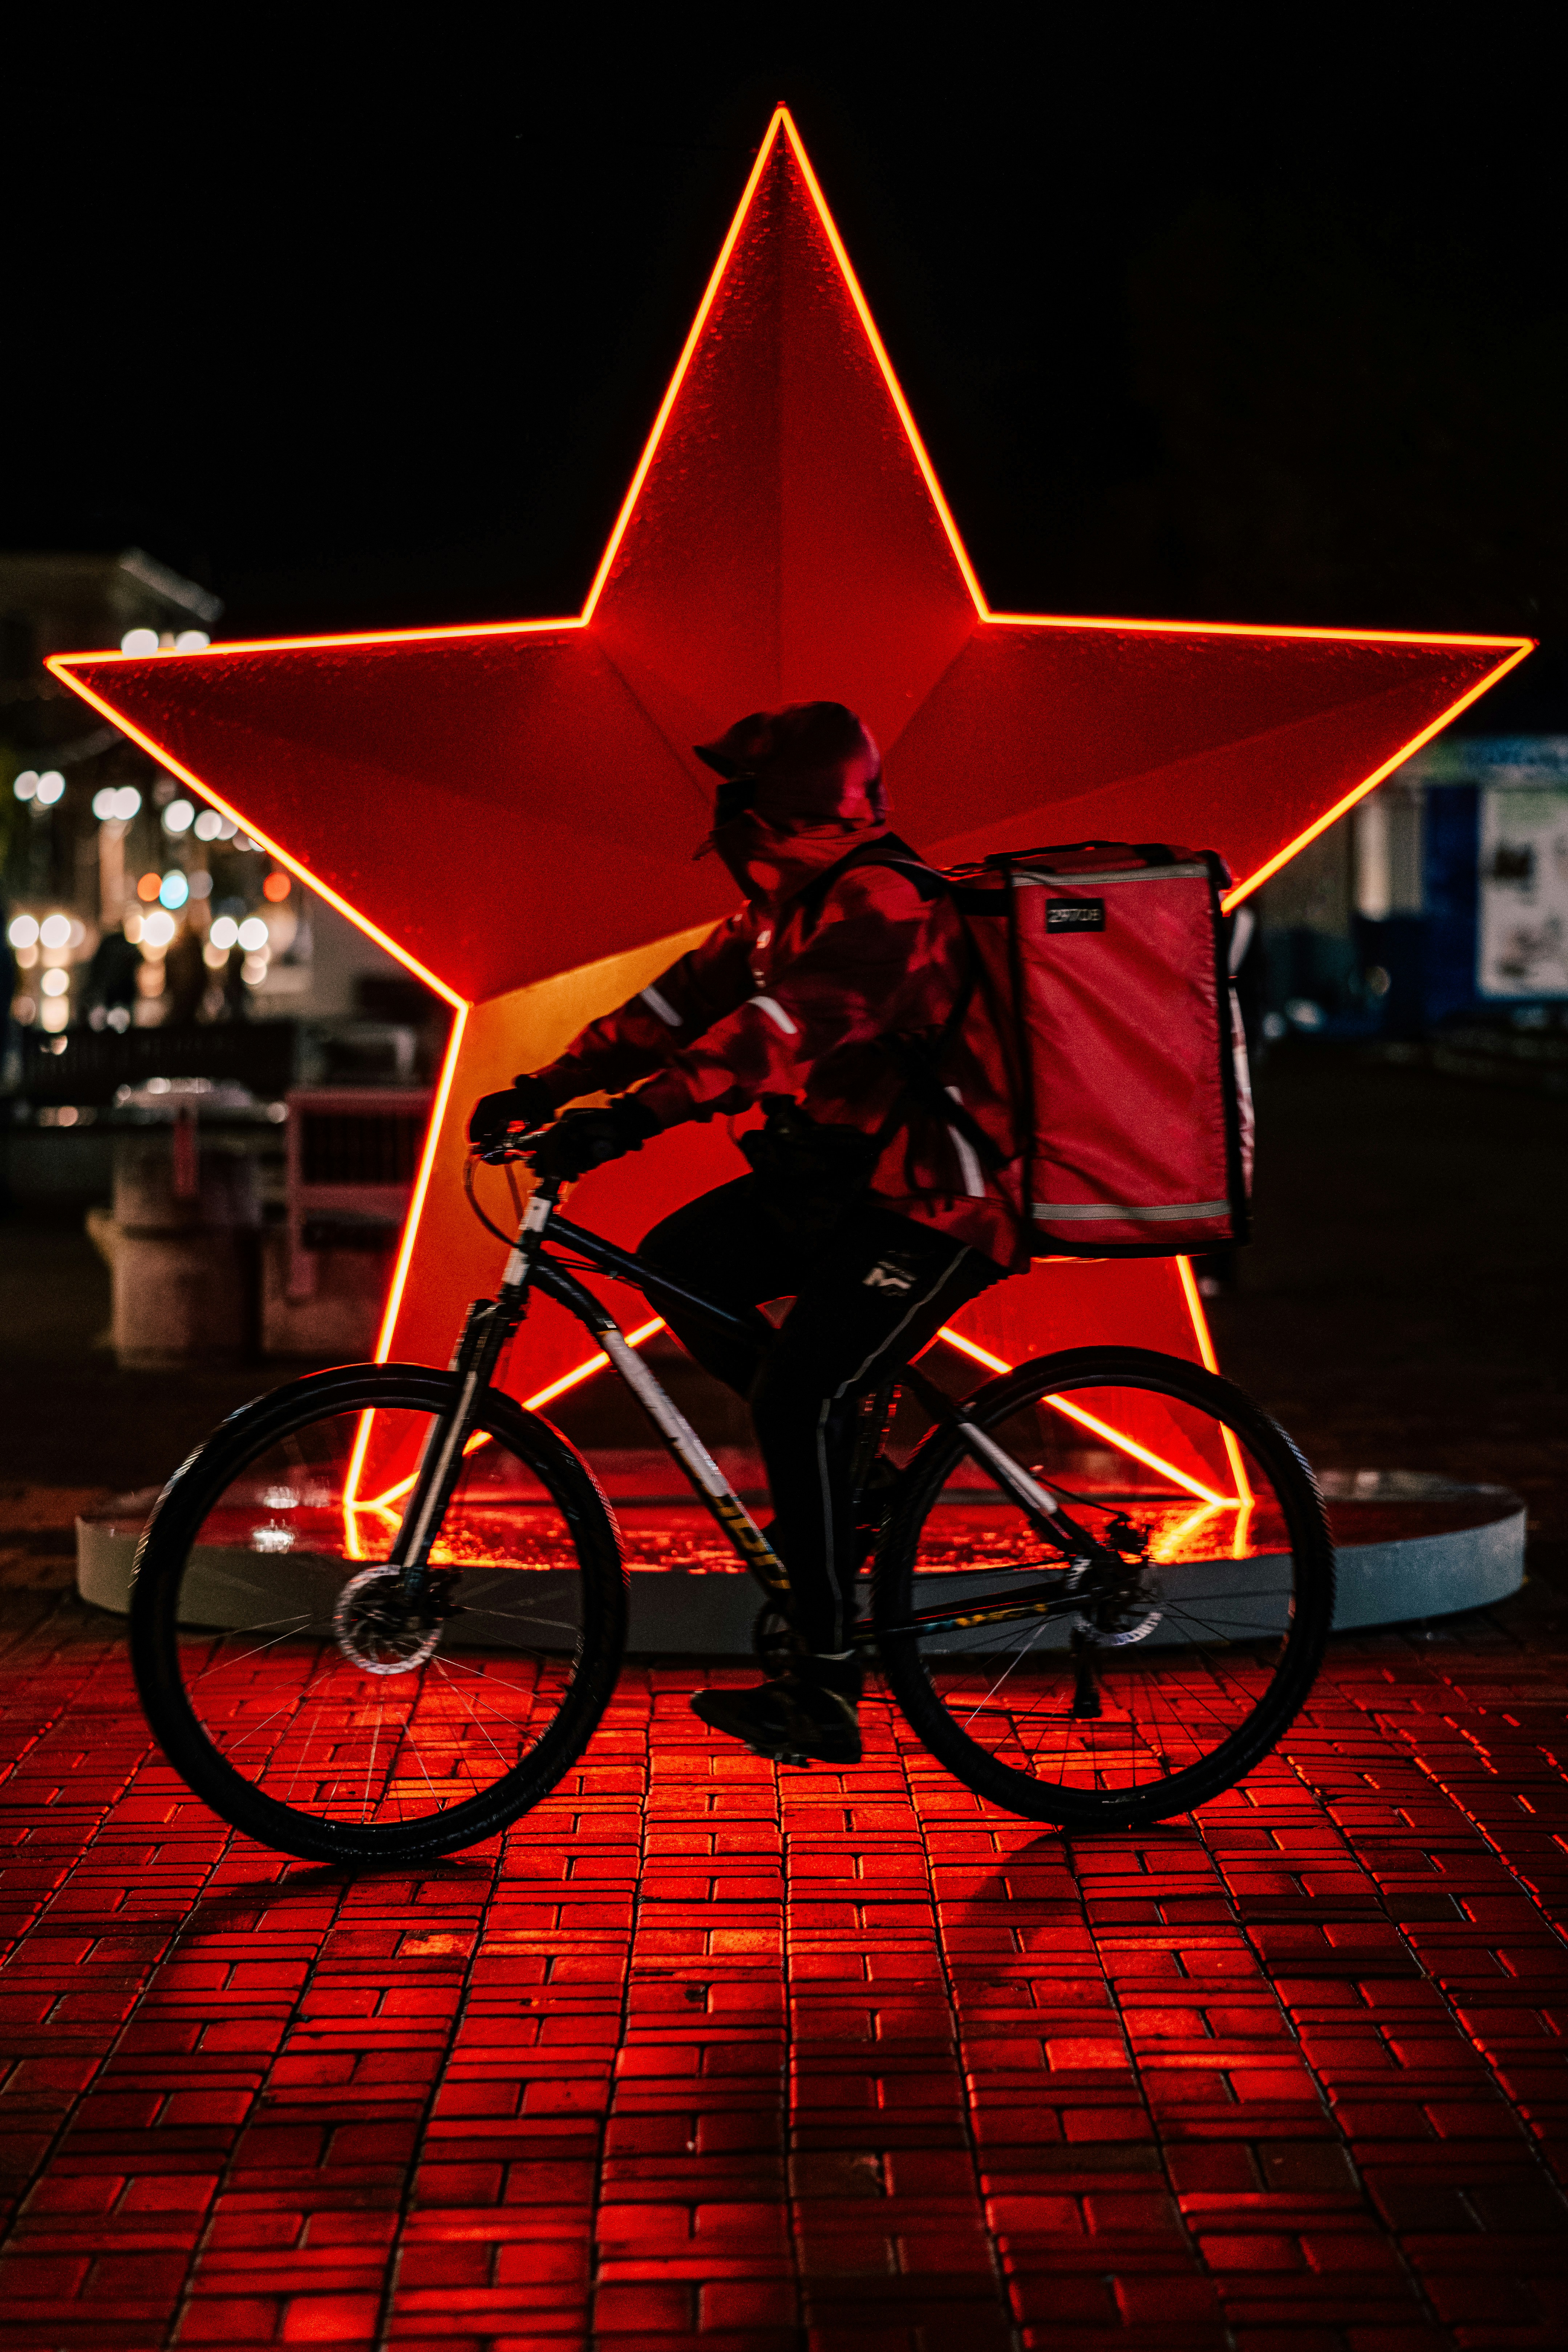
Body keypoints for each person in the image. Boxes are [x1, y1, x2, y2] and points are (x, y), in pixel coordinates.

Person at [469, 702, 1021, 1767]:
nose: (728, 811)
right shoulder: (780, 913)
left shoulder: (884, 903)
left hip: (944, 1200)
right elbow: (671, 1010)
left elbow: (775, 1034)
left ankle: (824, 1687)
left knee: (797, 1392)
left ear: (797, 803)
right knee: (681, 1265)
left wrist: (629, 1122)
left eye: (746, 792)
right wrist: (547, 1085)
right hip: (846, 1189)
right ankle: (853, 1481)